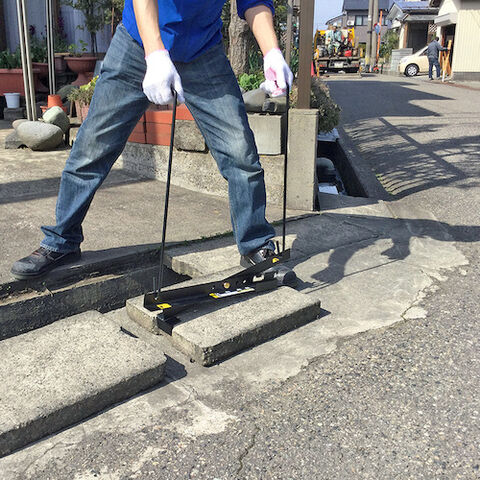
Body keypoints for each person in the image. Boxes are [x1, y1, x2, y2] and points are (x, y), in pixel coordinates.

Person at [10, 0, 293, 280]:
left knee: (240, 153)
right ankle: (62, 240)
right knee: (91, 148)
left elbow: (254, 1)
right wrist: (156, 54)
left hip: (203, 51)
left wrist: (271, 52)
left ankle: (255, 245)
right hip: (136, 45)